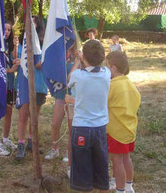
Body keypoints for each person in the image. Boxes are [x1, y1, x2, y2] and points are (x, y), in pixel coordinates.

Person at [65, 40, 111, 192]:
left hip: (81, 128)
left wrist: (78, 61)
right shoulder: (107, 74)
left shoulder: (78, 75)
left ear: (84, 57)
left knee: (83, 170)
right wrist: (84, 59)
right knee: (101, 165)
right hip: (100, 129)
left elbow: (69, 80)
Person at [106, 51, 141, 193]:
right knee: (126, 158)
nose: (106, 69)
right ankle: (128, 186)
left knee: (117, 161)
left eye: (107, 66)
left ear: (113, 68)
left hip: (116, 131)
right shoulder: (130, 84)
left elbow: (103, 102)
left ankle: (120, 189)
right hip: (129, 129)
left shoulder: (112, 85)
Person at [15, 16, 48, 161]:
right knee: (23, 115)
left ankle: (31, 141)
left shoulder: (45, 44)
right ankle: (20, 144)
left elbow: (47, 62)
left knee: (34, 116)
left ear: (38, 25)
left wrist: (42, 62)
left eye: (33, 21)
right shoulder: (24, 43)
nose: (30, 24)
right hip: (25, 83)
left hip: (39, 84)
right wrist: (18, 58)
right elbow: (18, 58)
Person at [44, 43, 77, 178]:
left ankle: (70, 154)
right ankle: (54, 149)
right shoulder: (58, 54)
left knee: (71, 128)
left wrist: (78, 62)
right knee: (55, 124)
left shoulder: (78, 57)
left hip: (72, 97)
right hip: (60, 95)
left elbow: (72, 77)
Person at [0, 21, 20, 156]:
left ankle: (6, 138)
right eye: (5, 29)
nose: (7, 32)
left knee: (9, 111)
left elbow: (14, 58)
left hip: (10, 84)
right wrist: (10, 70)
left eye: (9, 30)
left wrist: (15, 46)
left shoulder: (8, 46)